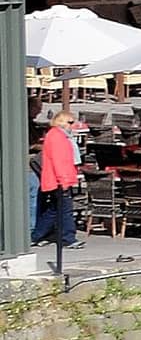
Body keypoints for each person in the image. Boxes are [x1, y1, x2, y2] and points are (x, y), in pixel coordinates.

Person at [33, 107, 79, 259]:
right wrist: (63, 181)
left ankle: (37, 235)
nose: (73, 125)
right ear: (62, 122)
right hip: (58, 180)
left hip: (57, 179)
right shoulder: (57, 137)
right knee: (64, 209)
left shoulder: (57, 136)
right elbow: (59, 161)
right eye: (70, 122)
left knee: (54, 209)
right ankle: (68, 238)